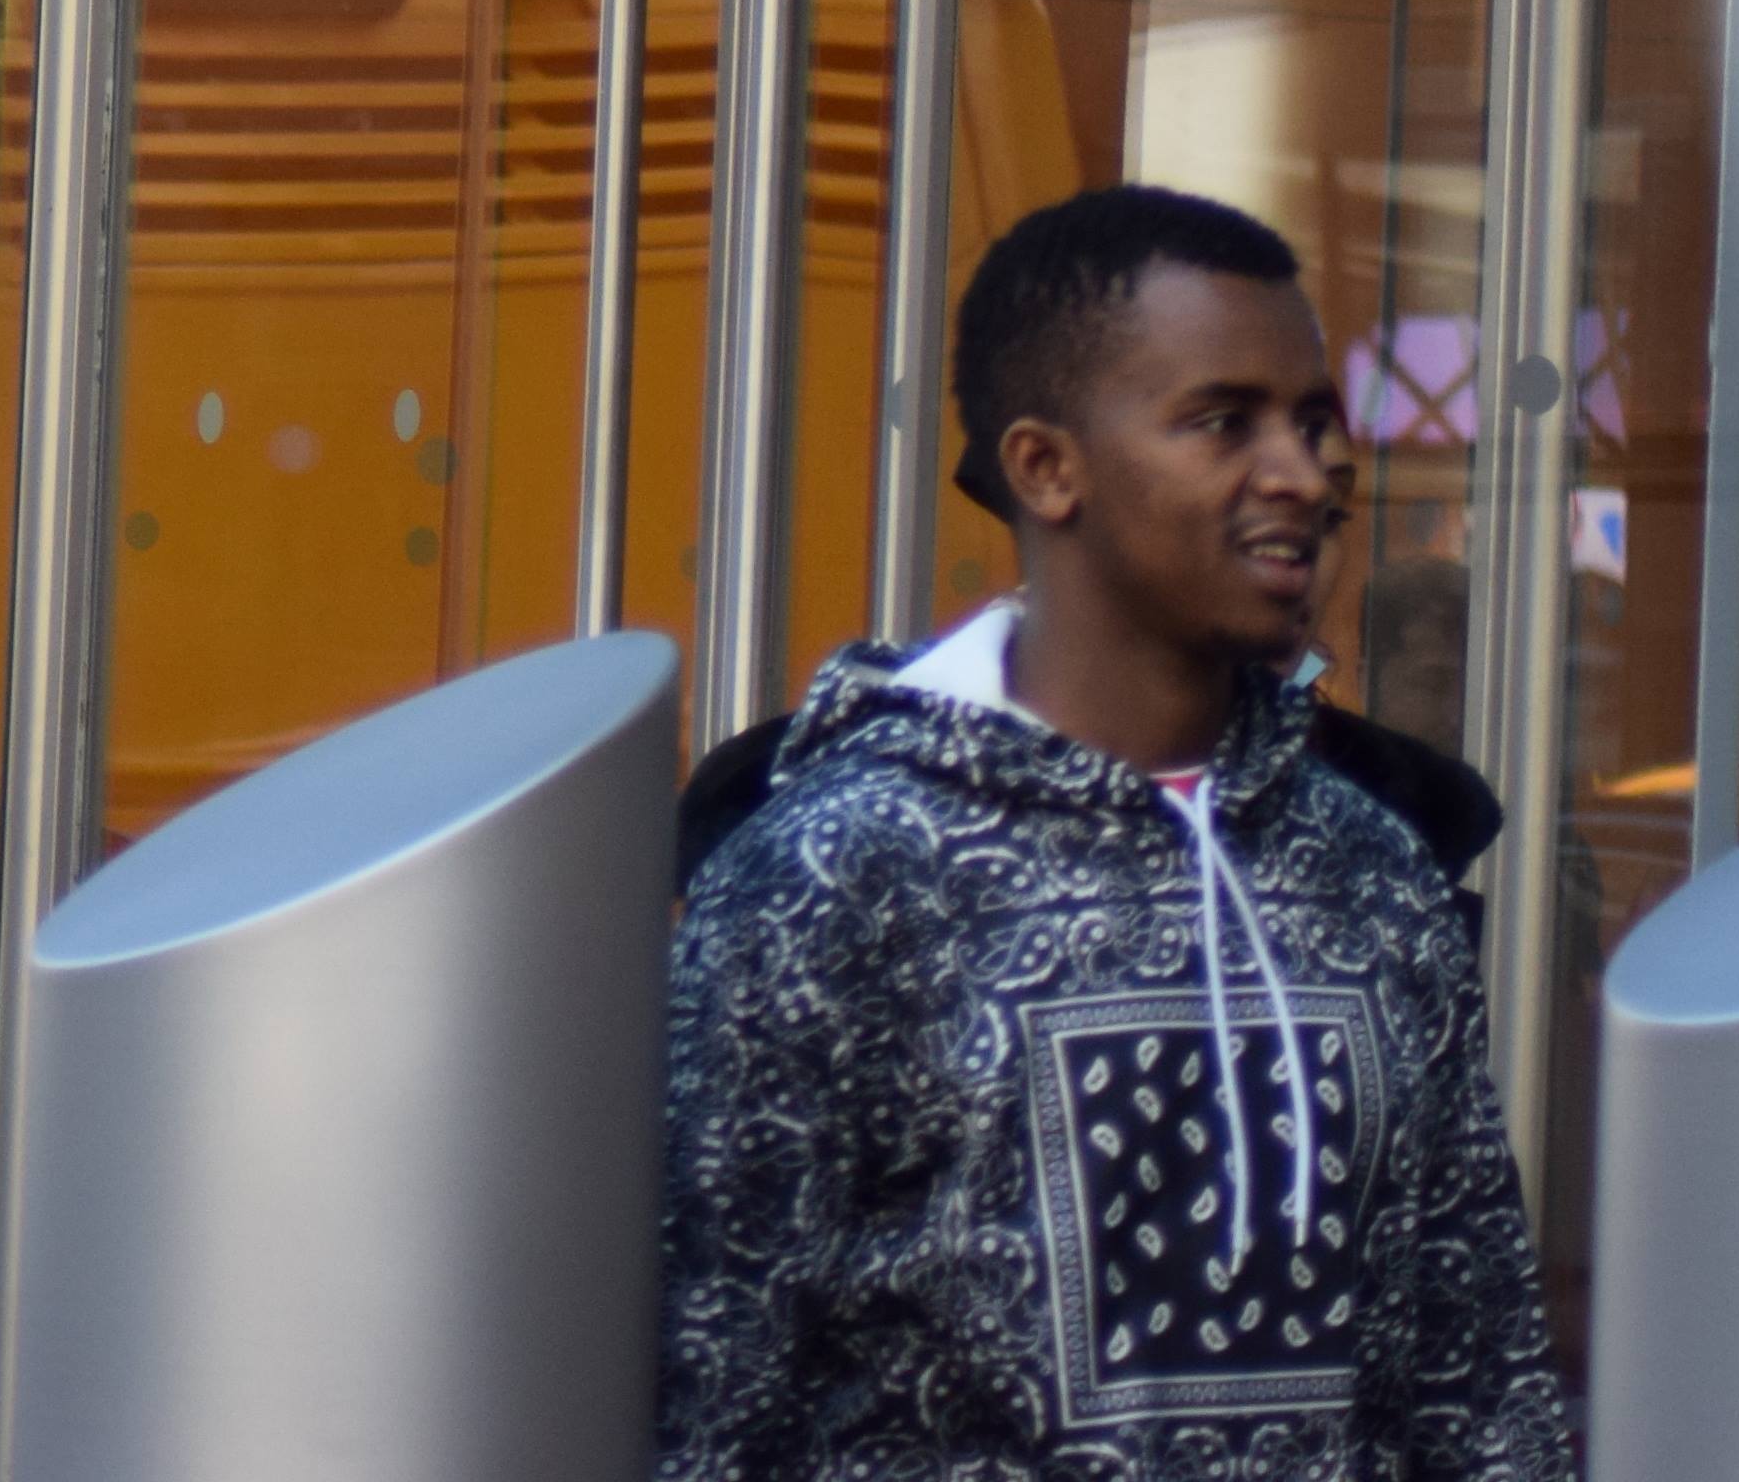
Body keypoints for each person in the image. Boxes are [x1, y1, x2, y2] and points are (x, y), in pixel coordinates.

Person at [656, 185, 1570, 1481]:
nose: (1302, 474)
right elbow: (705, 1395)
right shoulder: (826, 878)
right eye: (1223, 422)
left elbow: (1479, 1383)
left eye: (1314, 423)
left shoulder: (1376, 875)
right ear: (1046, 467)